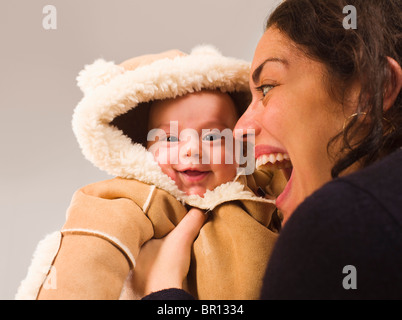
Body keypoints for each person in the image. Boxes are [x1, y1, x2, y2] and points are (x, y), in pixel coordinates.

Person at [134, 0, 402, 300]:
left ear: (369, 89)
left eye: (267, 88)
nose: (240, 129)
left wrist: (163, 292)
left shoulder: (334, 221)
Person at [15, 46, 286, 300]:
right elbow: (89, 254)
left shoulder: (263, 186)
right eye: (169, 139)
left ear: (240, 146)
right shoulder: (137, 200)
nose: (192, 149)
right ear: (144, 148)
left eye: (213, 136)